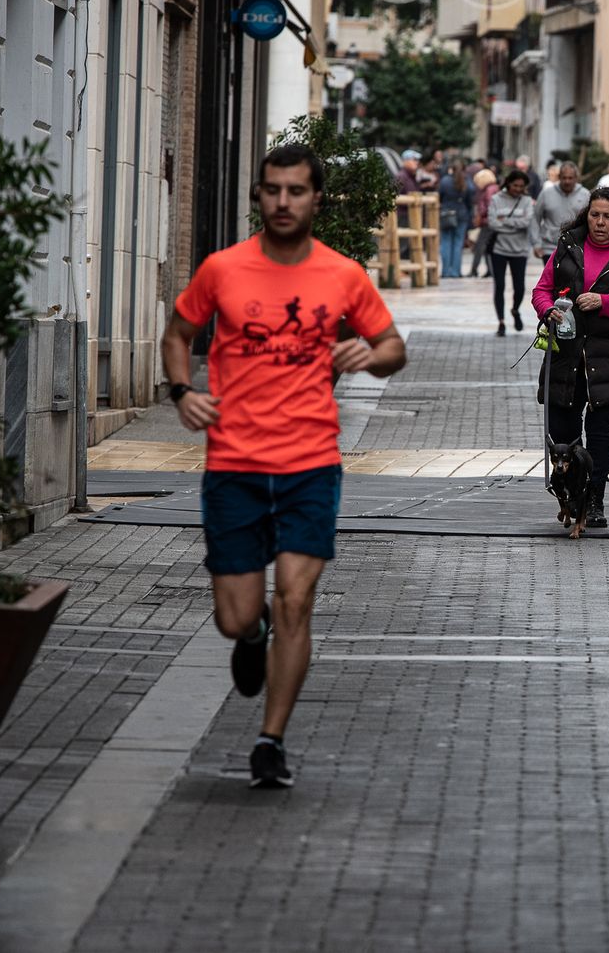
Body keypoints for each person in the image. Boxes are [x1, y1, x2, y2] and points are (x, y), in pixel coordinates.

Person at [160, 144, 407, 789]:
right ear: (259, 196)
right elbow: (177, 334)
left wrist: (369, 355)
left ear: (316, 198)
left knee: (296, 600)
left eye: (296, 190)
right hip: (235, 466)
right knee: (235, 617)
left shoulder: (341, 275)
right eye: (273, 190)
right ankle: (252, 634)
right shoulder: (223, 269)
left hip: (310, 465)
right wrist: (182, 392)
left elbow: (392, 346)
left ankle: (270, 741)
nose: (283, 201)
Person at [534, 187, 609, 528]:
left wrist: (605, 302)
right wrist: (547, 310)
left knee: (600, 432)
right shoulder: (567, 246)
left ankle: (594, 498)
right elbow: (542, 289)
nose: (600, 222)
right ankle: (568, 495)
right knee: (563, 433)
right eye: (595, 215)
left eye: (608, 217)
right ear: (586, 215)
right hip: (567, 355)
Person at [488, 169, 536, 336]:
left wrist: (505, 222)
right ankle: (501, 322)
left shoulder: (527, 201)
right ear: (508, 183)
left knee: (520, 287)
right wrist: (515, 224)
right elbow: (492, 223)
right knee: (499, 285)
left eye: (521, 186)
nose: (518, 189)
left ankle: (515, 309)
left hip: (520, 250)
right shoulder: (496, 199)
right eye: (515, 185)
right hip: (499, 249)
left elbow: (526, 222)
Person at [533, 162, 591, 264]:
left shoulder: (585, 195)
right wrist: (536, 243)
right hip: (549, 248)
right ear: (559, 177)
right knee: (551, 274)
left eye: (570, 178)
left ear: (576, 178)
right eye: (564, 178)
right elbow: (535, 218)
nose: (567, 181)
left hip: (576, 247)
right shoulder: (546, 193)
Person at [437, 161, 472, 278]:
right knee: (458, 243)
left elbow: (440, 196)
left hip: (447, 214)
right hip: (462, 214)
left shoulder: (445, 181)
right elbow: (470, 198)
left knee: (446, 242)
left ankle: (446, 271)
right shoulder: (466, 181)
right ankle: (456, 271)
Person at [467, 166, 498, 278]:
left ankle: (474, 270)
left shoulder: (489, 190)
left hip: (488, 221)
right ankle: (490, 270)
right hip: (490, 221)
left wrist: (481, 214)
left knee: (479, 246)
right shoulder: (493, 188)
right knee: (488, 247)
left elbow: (490, 206)